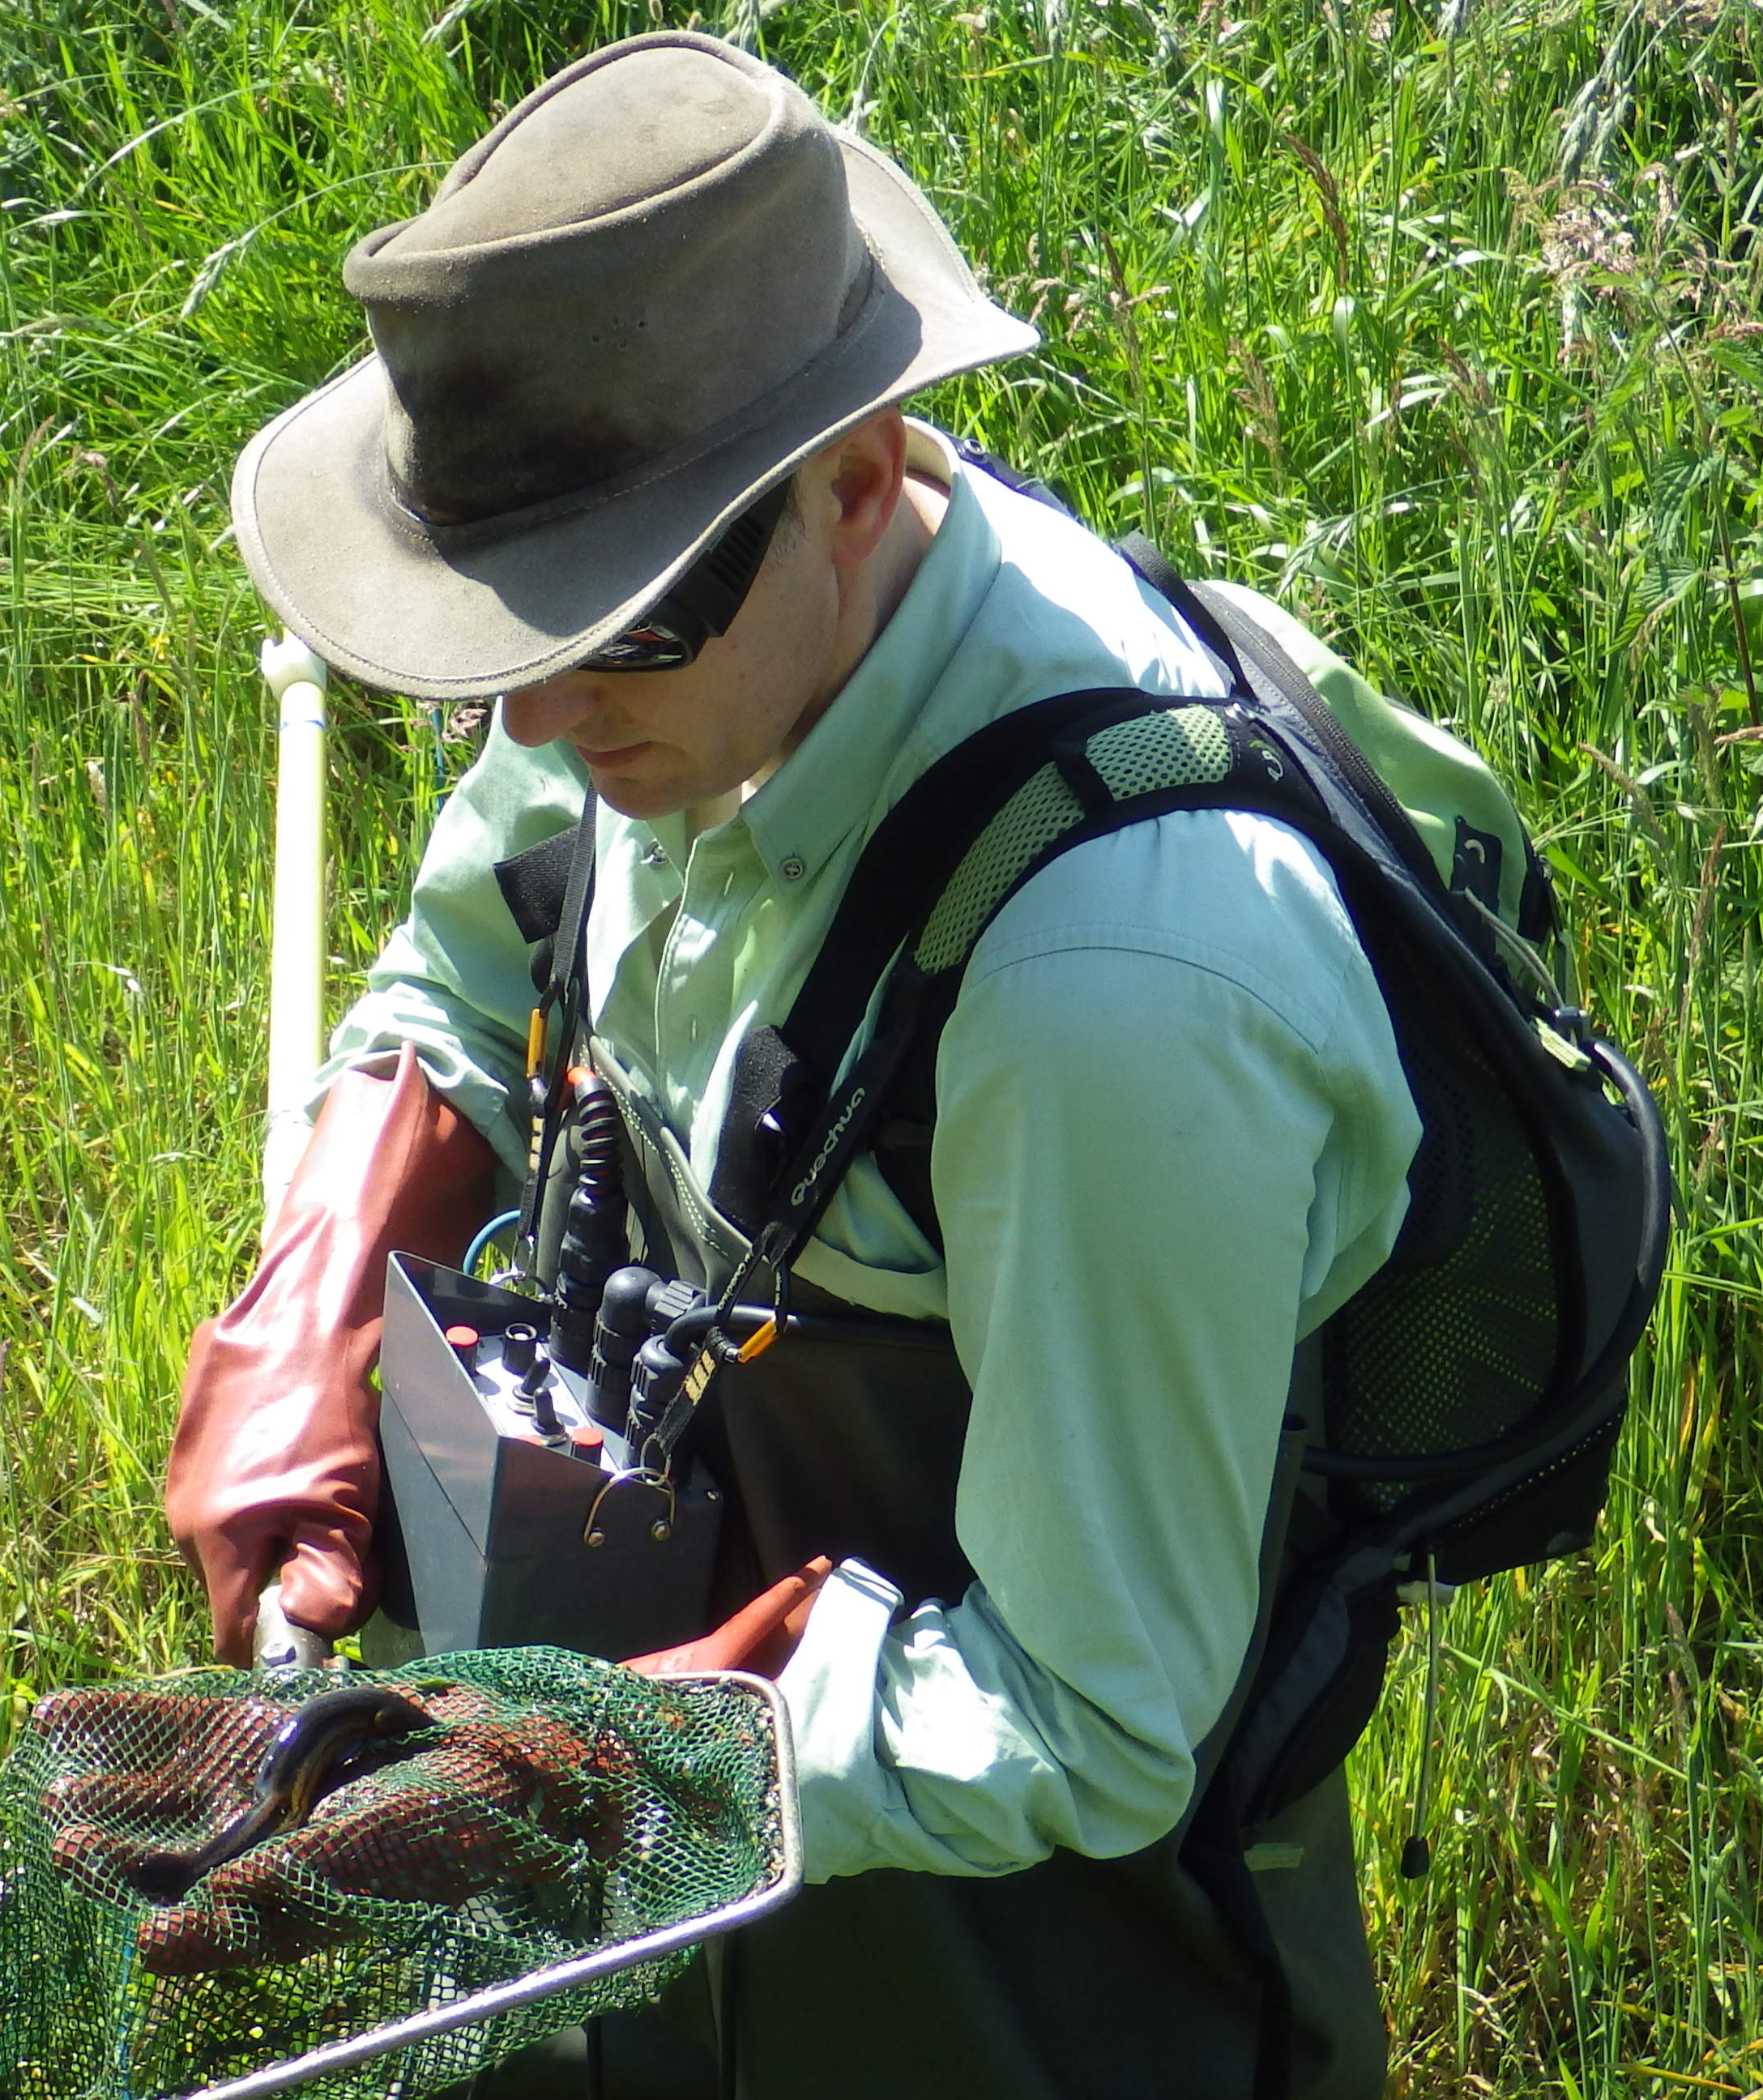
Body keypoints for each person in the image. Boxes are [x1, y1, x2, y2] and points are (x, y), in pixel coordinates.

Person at [167, 30, 1419, 2099]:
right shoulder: (678, 630)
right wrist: (314, 1291)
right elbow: (474, 970)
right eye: (505, 634)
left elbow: (1103, 1717)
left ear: (862, 478)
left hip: (1033, 1967)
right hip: (666, 1844)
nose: (545, 721)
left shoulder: (1117, 980)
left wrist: (668, 1749)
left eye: (615, 628)